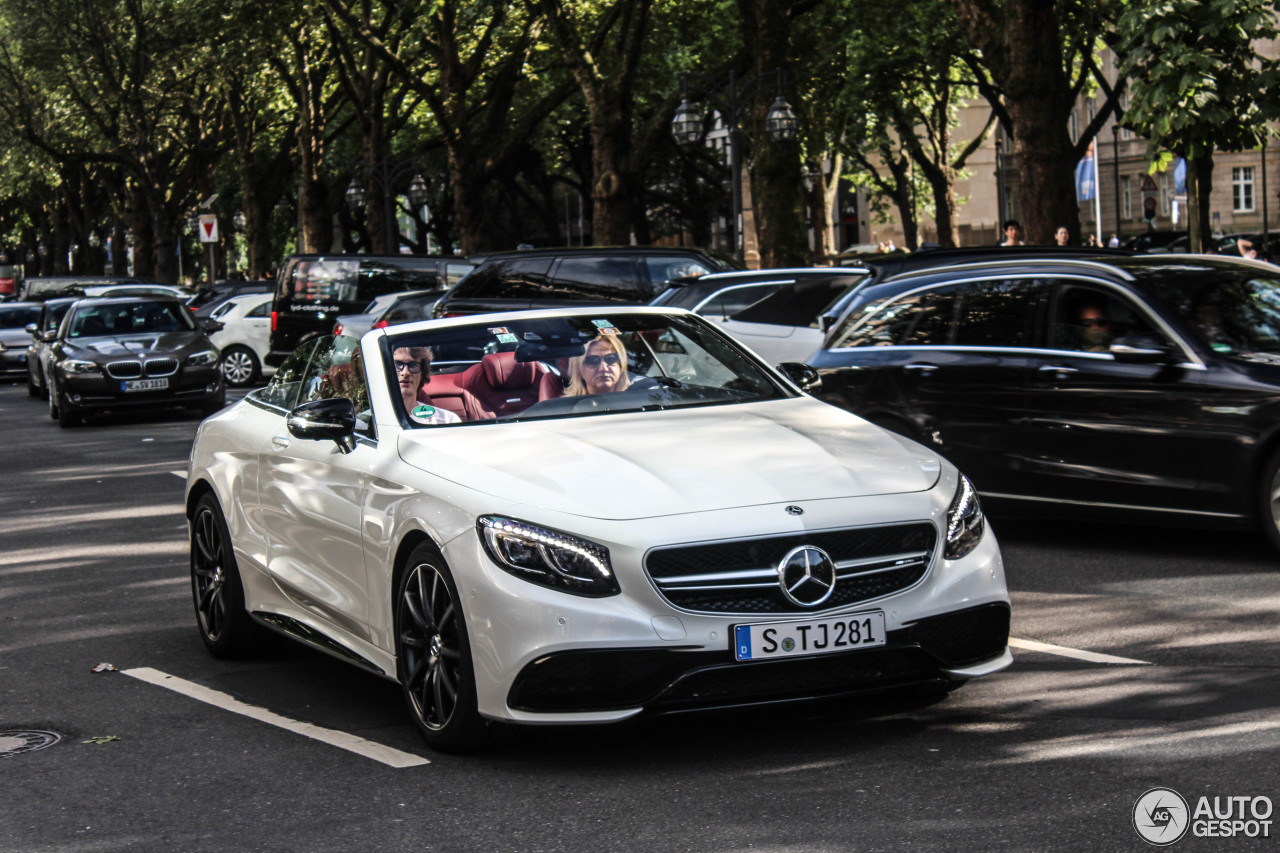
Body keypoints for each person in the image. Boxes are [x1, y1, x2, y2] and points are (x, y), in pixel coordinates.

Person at [393, 345, 461, 425]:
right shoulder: (374, 422)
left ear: (422, 373)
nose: (405, 372)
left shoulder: (447, 420)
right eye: (397, 364)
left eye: (413, 365)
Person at [564, 334, 632, 396]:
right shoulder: (566, 407)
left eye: (611, 359)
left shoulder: (636, 402)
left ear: (621, 366)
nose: (603, 368)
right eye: (593, 361)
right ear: (579, 370)